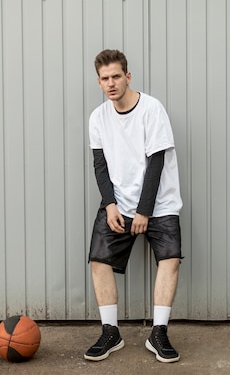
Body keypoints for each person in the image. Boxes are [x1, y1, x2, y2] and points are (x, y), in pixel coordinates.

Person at [84, 49, 183, 363]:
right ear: (98, 82)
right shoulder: (98, 118)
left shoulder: (152, 109)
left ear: (127, 76)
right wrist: (110, 205)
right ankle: (110, 332)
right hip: (119, 205)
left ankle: (159, 333)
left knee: (170, 259)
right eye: (104, 79)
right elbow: (100, 166)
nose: (111, 83)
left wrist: (144, 211)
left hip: (160, 203)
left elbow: (156, 162)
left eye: (116, 76)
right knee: (98, 259)